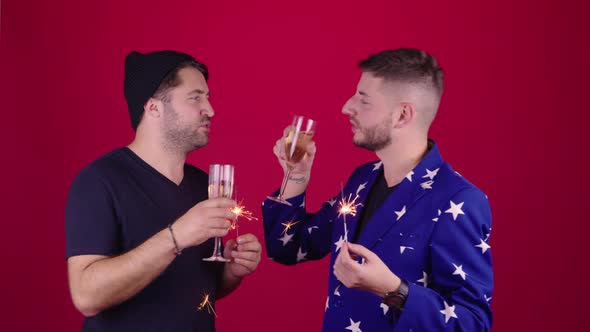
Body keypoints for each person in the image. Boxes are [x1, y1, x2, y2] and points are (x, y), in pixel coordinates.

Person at [262, 48, 493, 331]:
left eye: (363, 99)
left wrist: (393, 289)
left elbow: (472, 324)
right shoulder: (362, 179)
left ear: (402, 115)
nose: (347, 106)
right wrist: (295, 176)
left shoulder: (460, 200)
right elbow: (289, 248)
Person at [65, 50, 262, 331]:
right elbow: (87, 296)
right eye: (195, 97)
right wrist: (176, 236)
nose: (210, 109)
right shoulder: (99, 181)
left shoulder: (203, 185)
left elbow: (196, 290)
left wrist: (231, 271)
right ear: (153, 107)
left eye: (208, 97)